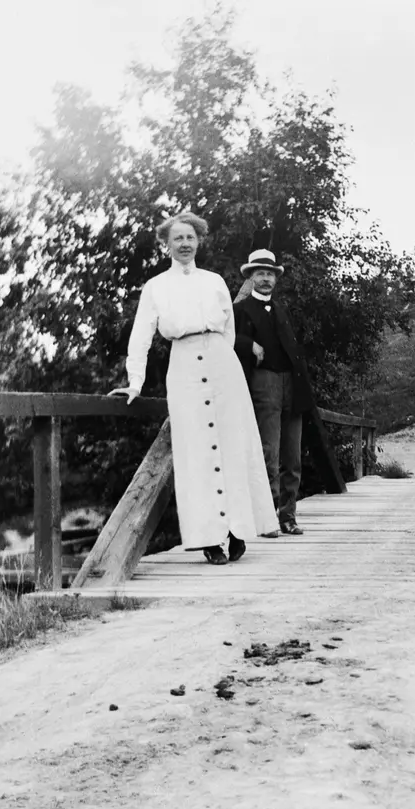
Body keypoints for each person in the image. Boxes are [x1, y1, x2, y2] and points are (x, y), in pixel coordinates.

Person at [109, 212, 278, 565]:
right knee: (196, 452)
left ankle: (236, 530)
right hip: (184, 364)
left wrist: (225, 364)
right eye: (177, 239)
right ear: (166, 244)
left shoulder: (214, 280)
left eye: (190, 237)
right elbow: (140, 337)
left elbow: (229, 332)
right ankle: (209, 539)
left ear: (199, 241)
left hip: (221, 365)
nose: (184, 244)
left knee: (233, 446)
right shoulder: (155, 287)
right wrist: (134, 382)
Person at [232, 249, 316, 537]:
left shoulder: (283, 310)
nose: (266, 278)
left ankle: (288, 516)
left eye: (270, 274)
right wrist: (247, 344)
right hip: (263, 383)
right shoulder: (240, 310)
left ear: (276, 279)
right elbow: (222, 336)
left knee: (292, 455)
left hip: (292, 386)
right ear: (250, 277)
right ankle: (267, 519)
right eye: (260, 273)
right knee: (269, 452)